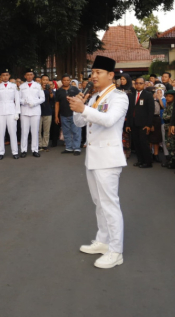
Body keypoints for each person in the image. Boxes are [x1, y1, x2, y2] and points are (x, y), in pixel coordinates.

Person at [68, 55, 128, 269]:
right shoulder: (94, 98)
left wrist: (84, 109)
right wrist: (80, 107)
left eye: (98, 73)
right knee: (98, 203)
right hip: (93, 158)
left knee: (110, 204)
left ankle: (116, 250)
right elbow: (79, 122)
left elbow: (109, 120)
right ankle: (103, 241)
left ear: (111, 75)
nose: (93, 76)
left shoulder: (119, 97)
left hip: (108, 158)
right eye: (92, 73)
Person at [126, 77, 154, 168]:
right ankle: (140, 160)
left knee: (144, 143)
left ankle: (147, 162)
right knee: (136, 143)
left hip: (143, 124)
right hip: (134, 123)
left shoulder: (148, 95)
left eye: (140, 83)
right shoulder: (132, 95)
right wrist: (128, 124)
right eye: (136, 83)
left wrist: (149, 125)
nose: (138, 85)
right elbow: (129, 110)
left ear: (145, 84)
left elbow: (151, 111)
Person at [0, 69, 20, 159]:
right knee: (1, 133)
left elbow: (17, 100)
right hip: (0, 112)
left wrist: (17, 112)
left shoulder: (13, 86)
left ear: (9, 76)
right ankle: (1, 152)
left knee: (13, 132)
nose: (5, 77)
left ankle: (15, 152)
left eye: (7, 75)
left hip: (11, 111)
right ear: (1, 77)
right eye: (3, 75)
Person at [19, 69, 44, 158]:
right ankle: (23, 150)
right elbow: (18, 98)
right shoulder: (21, 86)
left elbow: (42, 98)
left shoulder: (38, 86)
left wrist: (34, 103)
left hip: (35, 110)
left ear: (33, 76)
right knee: (24, 132)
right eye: (27, 75)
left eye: (31, 74)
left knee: (35, 131)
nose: (29, 76)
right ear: (25, 76)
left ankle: (35, 150)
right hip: (25, 111)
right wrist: (24, 101)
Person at [55, 74, 81, 155]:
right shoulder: (59, 91)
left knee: (76, 131)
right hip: (63, 114)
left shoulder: (75, 89)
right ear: (62, 81)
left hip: (74, 113)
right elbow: (57, 104)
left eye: (67, 80)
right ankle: (69, 148)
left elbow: (80, 99)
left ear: (70, 81)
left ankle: (77, 148)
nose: (66, 81)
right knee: (66, 132)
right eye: (64, 80)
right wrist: (56, 116)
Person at [117, 73, 134, 159]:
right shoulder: (117, 89)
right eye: (121, 79)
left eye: (124, 79)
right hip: (118, 114)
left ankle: (126, 151)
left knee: (127, 133)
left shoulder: (132, 90)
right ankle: (119, 152)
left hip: (128, 114)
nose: (122, 81)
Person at [162, 90, 175, 169]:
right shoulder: (168, 104)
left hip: (170, 126)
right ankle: (171, 160)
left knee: (172, 144)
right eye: (167, 96)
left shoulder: (174, 105)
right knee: (168, 143)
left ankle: (174, 161)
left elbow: (172, 117)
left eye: (170, 96)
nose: (167, 98)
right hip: (166, 125)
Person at [39, 75, 54, 152]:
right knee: (38, 130)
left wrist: (50, 90)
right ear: (41, 80)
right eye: (43, 80)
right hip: (38, 112)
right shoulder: (38, 89)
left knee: (46, 130)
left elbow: (52, 98)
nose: (45, 81)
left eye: (47, 80)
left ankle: (45, 145)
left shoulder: (50, 89)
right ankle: (39, 144)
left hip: (48, 112)